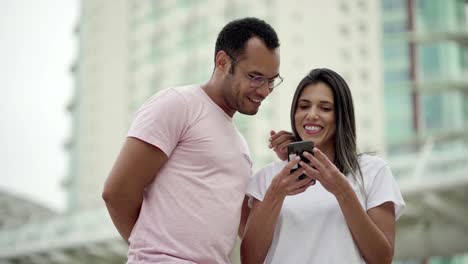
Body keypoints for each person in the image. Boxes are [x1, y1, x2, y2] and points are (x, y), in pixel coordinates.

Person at [102, 17, 283, 264]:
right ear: (222, 62)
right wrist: (154, 252)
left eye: (271, 81)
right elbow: (117, 192)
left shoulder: (240, 145)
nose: (264, 90)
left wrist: (285, 174)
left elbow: (245, 230)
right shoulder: (179, 104)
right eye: (255, 77)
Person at [240, 68, 406, 264]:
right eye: (303, 106)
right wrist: (276, 193)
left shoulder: (372, 171)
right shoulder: (269, 178)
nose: (311, 115)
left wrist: (342, 190)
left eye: (325, 108)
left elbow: (382, 258)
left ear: (341, 116)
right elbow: (249, 260)